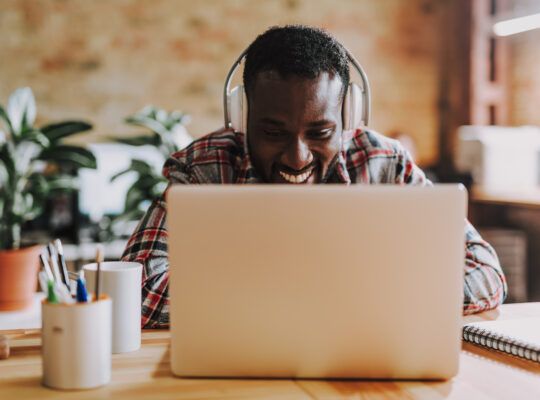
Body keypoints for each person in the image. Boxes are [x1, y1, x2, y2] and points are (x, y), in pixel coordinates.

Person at [122, 25, 507, 328]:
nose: (297, 156)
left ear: (349, 119)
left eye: (320, 133)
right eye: (273, 132)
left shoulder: (385, 164)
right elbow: (138, 290)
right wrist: (324, 294)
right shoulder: (203, 169)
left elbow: (485, 272)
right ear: (241, 118)